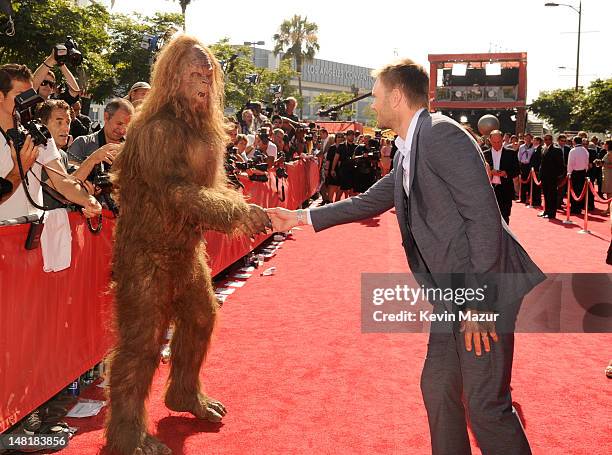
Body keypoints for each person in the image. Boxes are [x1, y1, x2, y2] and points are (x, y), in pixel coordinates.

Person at [267, 58, 545, 455]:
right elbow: (370, 201)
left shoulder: (440, 135)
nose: (373, 106)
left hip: (486, 287)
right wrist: (297, 217)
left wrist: (480, 305)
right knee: (438, 387)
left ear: (397, 96)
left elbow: (484, 218)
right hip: (455, 294)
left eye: (377, 97)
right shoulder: (407, 148)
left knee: (485, 406)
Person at [104, 35, 271, 455]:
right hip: (145, 252)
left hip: (184, 248)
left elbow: (207, 190)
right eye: (194, 72)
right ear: (172, 76)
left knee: (200, 318)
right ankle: (125, 434)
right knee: (141, 344)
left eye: (207, 72)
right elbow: (176, 191)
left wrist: (232, 206)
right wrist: (236, 212)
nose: (203, 79)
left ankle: (183, 391)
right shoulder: (157, 128)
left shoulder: (205, 129)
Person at [0, 64, 100, 221]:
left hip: (32, 235)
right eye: (19, 95)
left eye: (29, 95)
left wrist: (87, 200)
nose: (25, 101)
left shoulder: (38, 134)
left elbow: (62, 181)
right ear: (1, 96)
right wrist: (20, 170)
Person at [483, 130, 520, 225]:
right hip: (489, 190)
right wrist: (490, 171)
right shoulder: (484, 154)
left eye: (499, 142)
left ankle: (505, 238)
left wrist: (505, 173)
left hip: (505, 189)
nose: (496, 144)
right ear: (489, 141)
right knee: (488, 217)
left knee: (504, 216)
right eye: (494, 142)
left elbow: (517, 170)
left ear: (502, 140)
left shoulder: (511, 153)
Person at [538, 134, 565, 220]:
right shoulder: (543, 148)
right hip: (544, 176)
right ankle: (546, 211)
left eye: (549, 139)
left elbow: (561, 164)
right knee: (546, 194)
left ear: (552, 140)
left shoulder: (557, 150)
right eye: (545, 139)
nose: (547, 141)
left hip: (552, 176)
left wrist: (558, 175)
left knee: (552, 195)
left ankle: (551, 213)